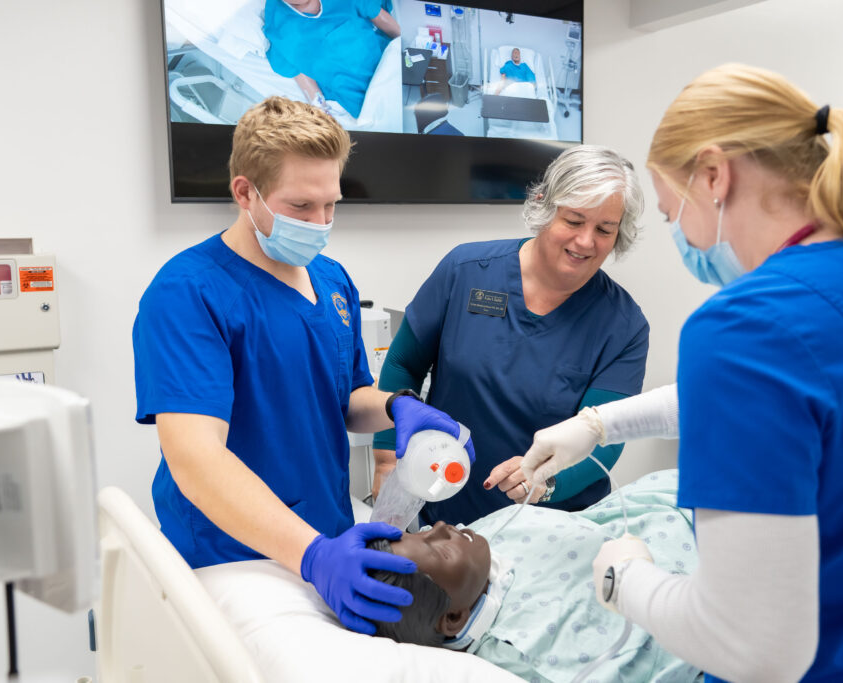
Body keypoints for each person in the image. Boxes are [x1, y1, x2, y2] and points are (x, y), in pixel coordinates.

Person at [524, 63, 843, 682]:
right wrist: (599, 423)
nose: (681, 237)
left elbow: (755, 651)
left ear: (714, 176)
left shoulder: (747, 323)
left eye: (669, 215)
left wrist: (625, 577)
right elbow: (791, 402)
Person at [132, 96, 474, 635]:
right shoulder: (188, 293)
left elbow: (344, 401)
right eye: (300, 208)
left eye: (331, 206)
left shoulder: (331, 280)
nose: (320, 224)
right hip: (234, 557)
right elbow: (195, 460)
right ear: (246, 192)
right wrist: (312, 556)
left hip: (327, 538)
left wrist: (395, 407)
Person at [372, 145, 649, 526]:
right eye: (573, 220)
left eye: (604, 229)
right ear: (543, 206)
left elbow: (607, 437)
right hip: (446, 511)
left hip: (551, 527)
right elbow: (404, 364)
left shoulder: (623, 325)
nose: (586, 241)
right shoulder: (466, 272)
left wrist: (547, 482)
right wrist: (388, 458)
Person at [366, 470, 701, 683]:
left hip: (666, 500)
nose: (439, 528)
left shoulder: (476, 549)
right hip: (694, 563)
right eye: (440, 549)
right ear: (455, 618)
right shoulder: (524, 651)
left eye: (422, 533)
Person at [263, 0, 401, 119]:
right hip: (360, 94)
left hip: (388, 61)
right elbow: (299, 71)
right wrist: (322, 111)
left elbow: (377, 15)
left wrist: (406, 46)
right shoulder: (279, 28)